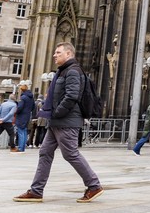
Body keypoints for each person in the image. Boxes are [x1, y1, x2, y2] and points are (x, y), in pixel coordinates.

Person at [13, 42, 103, 203]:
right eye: (55, 52)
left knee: (70, 154)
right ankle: (36, 191)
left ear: (69, 54)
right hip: (57, 121)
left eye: (58, 52)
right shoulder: (63, 71)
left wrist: (57, 112)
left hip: (66, 120)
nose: (55, 55)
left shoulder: (73, 71)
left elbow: (72, 96)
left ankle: (94, 185)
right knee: (45, 152)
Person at [14, 83, 35, 153]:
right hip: (27, 116)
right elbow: (33, 107)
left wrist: (16, 112)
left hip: (21, 116)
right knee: (24, 132)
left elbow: (19, 108)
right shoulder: (31, 98)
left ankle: (20, 148)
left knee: (20, 132)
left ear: (22, 90)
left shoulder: (23, 98)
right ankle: (23, 147)